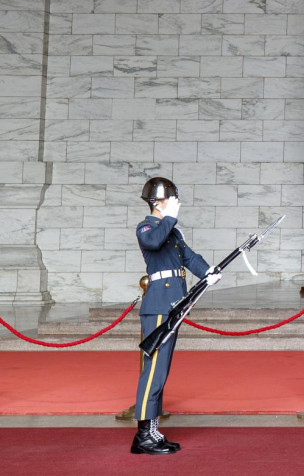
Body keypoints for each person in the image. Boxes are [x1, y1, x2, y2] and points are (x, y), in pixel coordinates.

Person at [132, 177, 221, 455]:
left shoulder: (173, 232)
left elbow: (189, 257)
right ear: (157, 202)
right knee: (154, 372)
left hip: (172, 305)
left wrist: (208, 271)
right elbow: (154, 241)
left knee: (161, 370)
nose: (176, 204)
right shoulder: (147, 227)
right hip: (158, 306)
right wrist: (169, 217)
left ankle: (152, 431)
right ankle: (143, 435)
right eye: (171, 199)